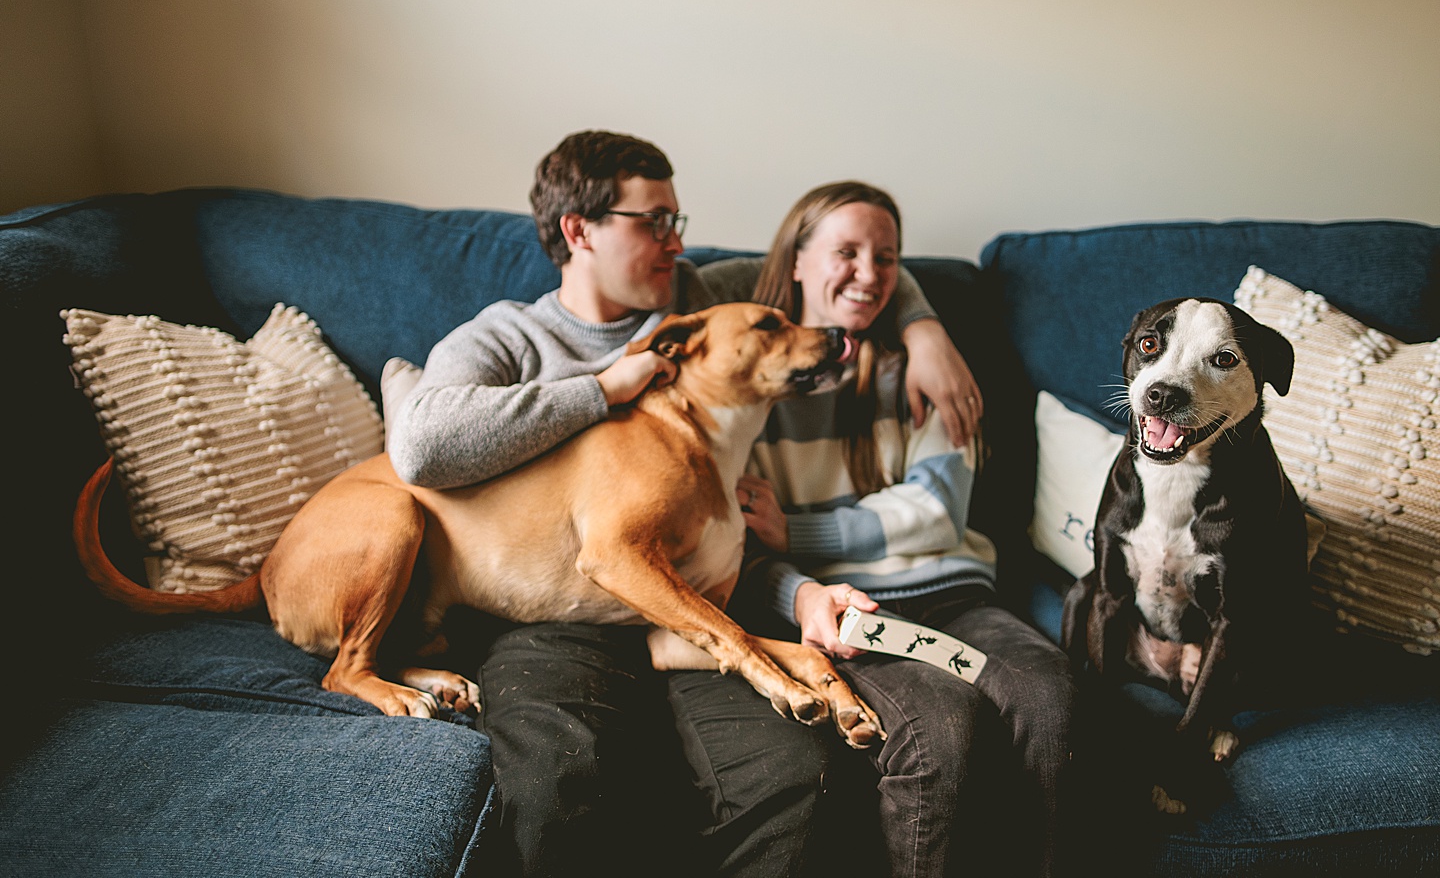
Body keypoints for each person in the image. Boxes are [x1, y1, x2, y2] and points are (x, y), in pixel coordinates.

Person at [387, 131, 983, 877]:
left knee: (794, 778)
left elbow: (829, 269)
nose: (675, 243)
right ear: (580, 231)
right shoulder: (507, 335)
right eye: (653, 224)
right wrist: (605, 387)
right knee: (560, 780)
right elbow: (422, 446)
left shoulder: (697, 297)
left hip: (687, 603)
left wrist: (924, 327)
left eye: (679, 223)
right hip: (557, 611)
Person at [727, 181, 1077, 878]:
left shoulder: (923, 376)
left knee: (1049, 699)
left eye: (887, 258)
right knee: (941, 733)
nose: (869, 274)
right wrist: (796, 577)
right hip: (846, 611)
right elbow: (737, 544)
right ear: (796, 261)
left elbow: (938, 510)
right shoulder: (746, 392)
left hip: (954, 594)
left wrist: (796, 531)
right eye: (846, 252)